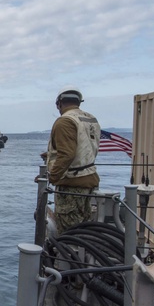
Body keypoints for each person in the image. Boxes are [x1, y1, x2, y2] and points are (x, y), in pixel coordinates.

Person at [43, 87, 101, 235]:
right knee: (85, 223)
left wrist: (53, 177)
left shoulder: (65, 121)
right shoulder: (90, 119)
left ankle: (69, 255)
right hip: (90, 180)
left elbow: (67, 154)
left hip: (72, 185)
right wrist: (49, 155)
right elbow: (83, 149)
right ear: (78, 102)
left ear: (59, 103)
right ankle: (83, 251)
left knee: (69, 230)